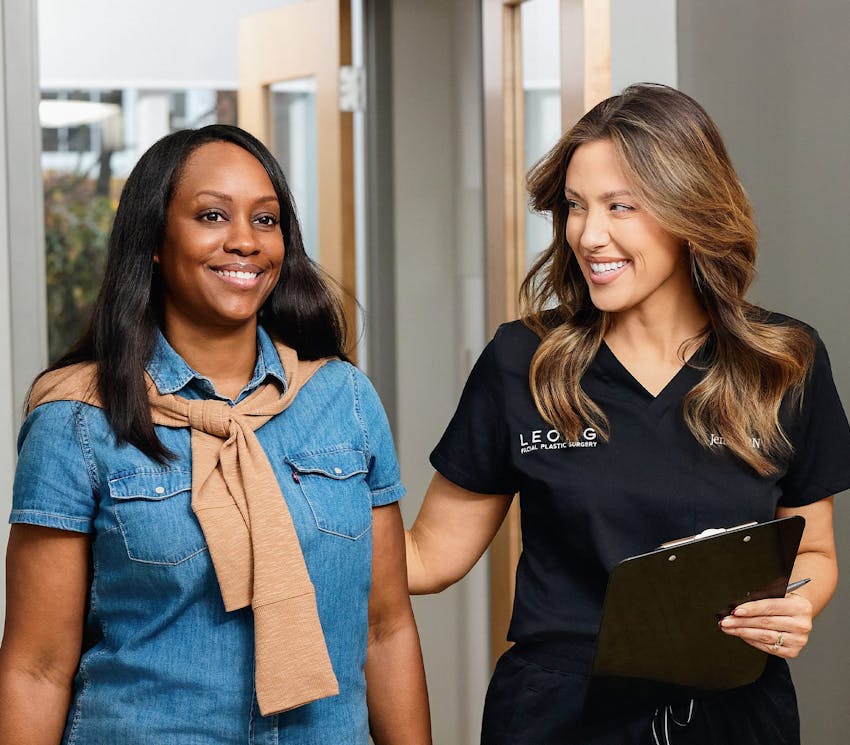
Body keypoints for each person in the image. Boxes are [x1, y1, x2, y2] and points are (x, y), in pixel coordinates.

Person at [405, 84, 850, 744]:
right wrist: (289, 523)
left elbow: (812, 548)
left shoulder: (784, 360)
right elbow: (427, 556)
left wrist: (795, 604)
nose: (589, 234)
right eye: (577, 207)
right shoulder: (521, 360)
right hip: (558, 718)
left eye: (622, 207)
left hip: (734, 715)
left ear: (688, 211)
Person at [0, 124, 431, 745]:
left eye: (265, 220)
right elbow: (36, 668)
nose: (244, 243)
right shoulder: (77, 419)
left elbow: (385, 630)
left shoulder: (343, 400)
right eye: (211, 215)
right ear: (153, 239)